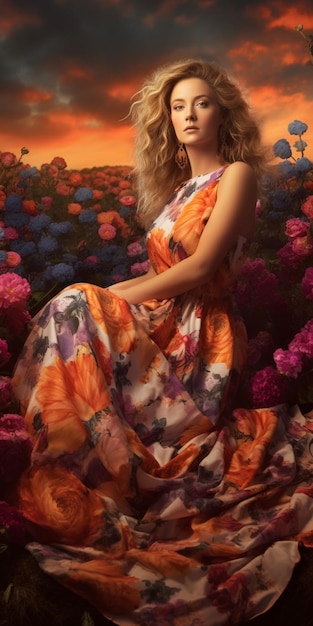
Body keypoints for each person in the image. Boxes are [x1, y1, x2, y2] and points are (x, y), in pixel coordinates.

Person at [12, 59, 313, 626]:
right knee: (71, 307)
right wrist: (100, 297)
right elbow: (151, 285)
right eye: (177, 106)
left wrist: (104, 296)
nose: (188, 114)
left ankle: (109, 469)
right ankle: (81, 461)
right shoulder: (181, 191)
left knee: (78, 302)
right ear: (167, 121)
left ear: (222, 113)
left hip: (202, 340)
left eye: (200, 102)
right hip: (161, 324)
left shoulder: (237, 175)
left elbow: (200, 269)